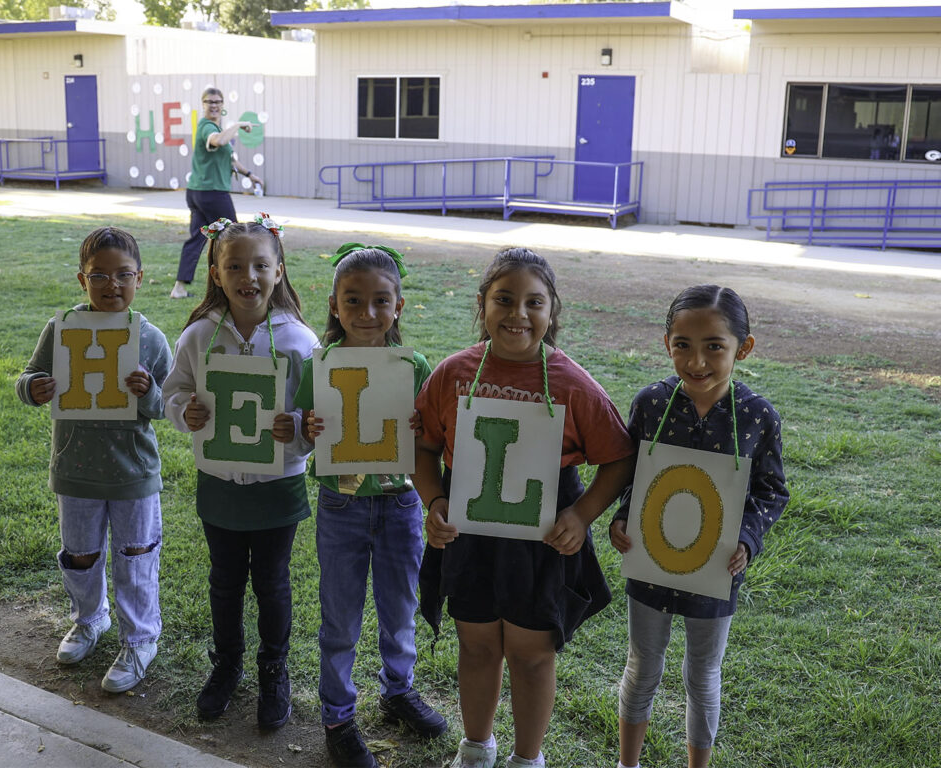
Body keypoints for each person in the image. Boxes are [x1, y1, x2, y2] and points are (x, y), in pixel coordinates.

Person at [414, 247, 635, 768]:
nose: (518, 314)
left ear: (551, 311)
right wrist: (435, 500)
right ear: (482, 305)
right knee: (477, 647)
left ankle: (526, 759)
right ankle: (476, 747)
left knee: (532, 657)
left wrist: (581, 516)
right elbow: (423, 448)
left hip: (542, 537)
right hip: (470, 533)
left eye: (534, 302)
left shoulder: (573, 383)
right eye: (504, 300)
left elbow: (619, 458)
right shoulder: (452, 374)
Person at [609, 285, 788, 768]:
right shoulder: (650, 403)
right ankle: (628, 764)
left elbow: (772, 491)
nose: (697, 361)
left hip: (715, 568)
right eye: (683, 345)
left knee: (703, 674)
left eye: (715, 346)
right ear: (666, 342)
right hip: (651, 564)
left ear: (743, 348)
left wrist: (748, 540)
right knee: (642, 666)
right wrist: (623, 518)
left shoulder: (758, 416)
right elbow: (635, 476)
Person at [294, 243, 448, 768]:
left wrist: (420, 429)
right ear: (335, 305)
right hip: (341, 506)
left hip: (402, 504)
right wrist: (307, 428)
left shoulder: (416, 365)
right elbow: (296, 432)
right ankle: (338, 715)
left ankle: (397, 689)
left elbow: (433, 440)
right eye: (353, 301)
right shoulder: (322, 364)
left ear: (398, 307)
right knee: (339, 618)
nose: (367, 313)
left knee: (398, 606)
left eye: (381, 301)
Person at [163, 214, 318, 728]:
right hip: (220, 484)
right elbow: (173, 392)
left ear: (279, 270)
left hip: (277, 486)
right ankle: (226, 664)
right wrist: (184, 410)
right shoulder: (198, 336)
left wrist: (295, 426)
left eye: (259, 265)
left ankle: (274, 670)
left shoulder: (300, 341)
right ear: (215, 273)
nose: (247, 276)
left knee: (272, 582)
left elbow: (318, 414)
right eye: (235, 266)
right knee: (225, 581)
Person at [16, 226, 173, 693]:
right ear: (81, 279)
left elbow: (169, 405)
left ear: (140, 278)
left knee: (135, 557)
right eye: (99, 275)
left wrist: (148, 394)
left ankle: (141, 638)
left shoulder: (149, 338)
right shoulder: (62, 329)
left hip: (133, 473)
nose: (112, 285)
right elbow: (29, 376)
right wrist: (34, 388)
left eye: (123, 275)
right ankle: (90, 620)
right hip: (76, 470)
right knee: (80, 556)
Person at [171, 87, 264, 300]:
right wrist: (239, 125)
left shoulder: (220, 128)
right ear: (203, 105)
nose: (214, 105)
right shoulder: (206, 127)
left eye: (217, 102)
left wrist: (250, 175)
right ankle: (236, 284)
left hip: (199, 192)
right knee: (236, 236)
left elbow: (231, 158)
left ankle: (180, 287)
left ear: (222, 106)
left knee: (198, 239)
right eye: (209, 102)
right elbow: (219, 141)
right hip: (210, 193)